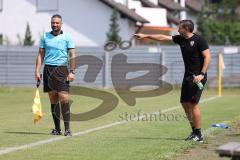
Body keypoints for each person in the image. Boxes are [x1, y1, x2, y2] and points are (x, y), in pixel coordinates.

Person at [134, 20, 211, 142]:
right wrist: (146, 35)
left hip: (198, 76)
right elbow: (163, 37)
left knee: (193, 104)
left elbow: (207, 56)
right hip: (188, 76)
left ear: (186, 28)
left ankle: (199, 134)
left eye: (180, 28)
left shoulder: (199, 40)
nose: (178, 30)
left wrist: (202, 74)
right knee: (185, 103)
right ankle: (194, 131)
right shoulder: (180, 39)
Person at [35, 14, 76, 136]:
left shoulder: (67, 37)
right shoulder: (45, 37)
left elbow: (73, 55)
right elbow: (40, 55)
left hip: (62, 70)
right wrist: (37, 71)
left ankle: (67, 129)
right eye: (53, 23)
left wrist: (72, 71)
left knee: (64, 98)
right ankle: (57, 129)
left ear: (61, 24)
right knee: (53, 100)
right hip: (48, 70)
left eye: (57, 23)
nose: (55, 25)